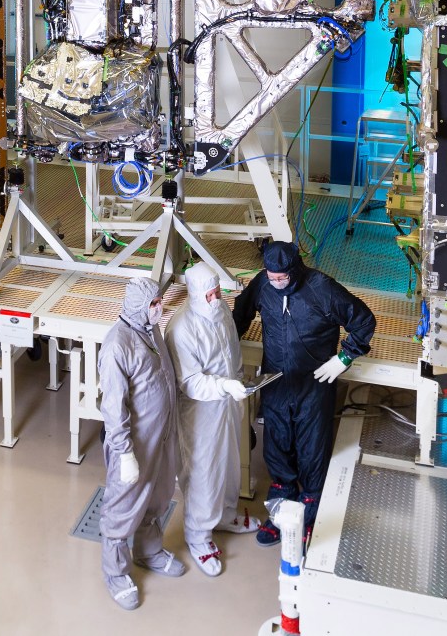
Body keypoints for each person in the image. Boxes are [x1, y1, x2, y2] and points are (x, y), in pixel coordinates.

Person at [233, 239, 375, 545]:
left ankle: (310, 509)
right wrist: (226, 348)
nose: (277, 283)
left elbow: (363, 321)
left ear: (295, 269)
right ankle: (280, 507)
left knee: (312, 448)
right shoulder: (264, 284)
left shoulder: (321, 288)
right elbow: (241, 315)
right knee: (277, 444)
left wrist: (344, 357)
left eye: (282, 278)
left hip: (314, 383)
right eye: (272, 278)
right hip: (276, 381)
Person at [97, 275, 185, 610]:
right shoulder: (118, 344)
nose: (159, 308)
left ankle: (148, 552)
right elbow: (113, 405)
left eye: (158, 301)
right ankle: (116, 575)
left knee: (158, 497)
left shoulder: (151, 332)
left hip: (161, 437)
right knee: (122, 507)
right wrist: (125, 453)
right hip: (134, 445)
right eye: (153, 304)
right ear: (137, 306)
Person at [166, 261, 259, 576]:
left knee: (230, 462)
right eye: (208, 295)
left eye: (217, 292)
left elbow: (231, 352)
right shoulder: (182, 328)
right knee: (204, 470)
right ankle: (199, 534)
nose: (215, 299)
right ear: (194, 295)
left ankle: (225, 514)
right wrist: (223, 386)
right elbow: (189, 381)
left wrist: (237, 382)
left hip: (228, 402)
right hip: (201, 411)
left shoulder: (222, 315)